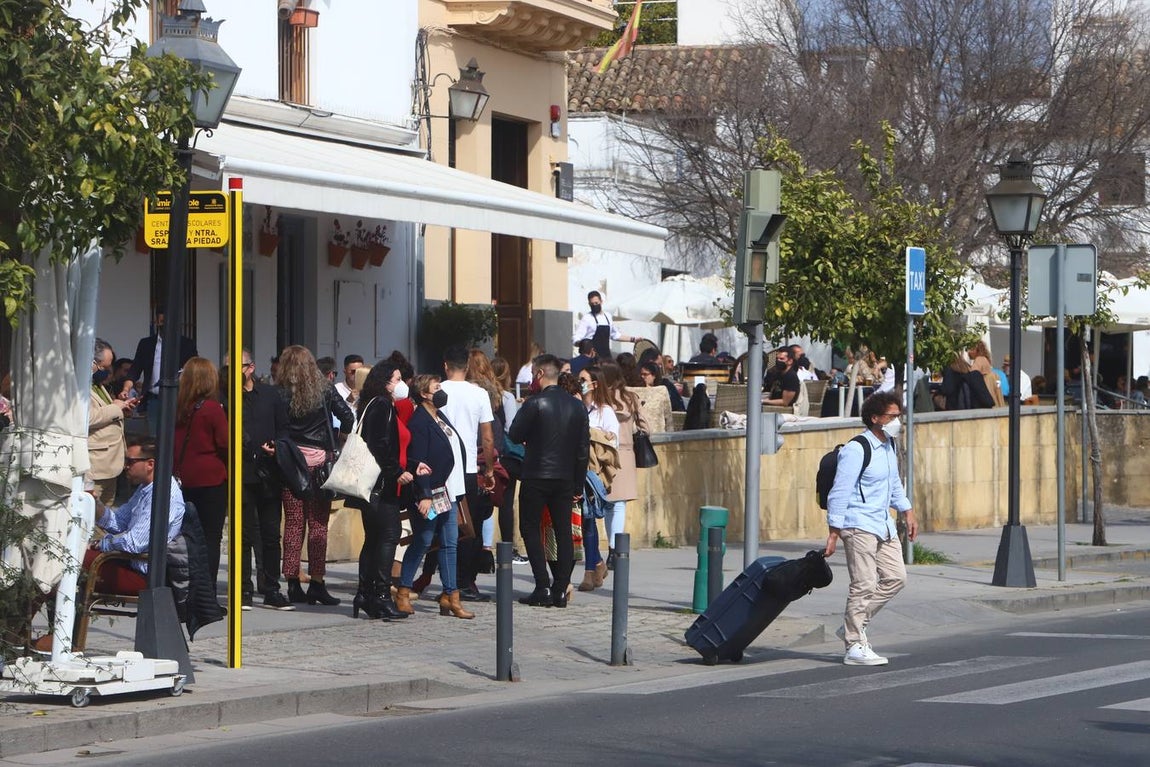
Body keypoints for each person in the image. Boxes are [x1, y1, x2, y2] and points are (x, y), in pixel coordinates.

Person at [824, 391, 917, 667]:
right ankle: (853, 644)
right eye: (892, 416)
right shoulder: (857, 449)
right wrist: (833, 532)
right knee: (863, 584)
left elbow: (894, 484)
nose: (897, 421)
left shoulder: (888, 445)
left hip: (883, 523)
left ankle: (855, 623)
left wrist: (907, 511)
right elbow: (839, 492)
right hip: (858, 524)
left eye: (899, 416)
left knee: (896, 577)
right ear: (875, 418)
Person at [508, 354, 590, 607]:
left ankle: (542, 585)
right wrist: (578, 484)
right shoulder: (577, 406)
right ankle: (560, 588)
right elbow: (582, 450)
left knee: (531, 529)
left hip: (535, 474)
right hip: (565, 477)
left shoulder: (534, 403)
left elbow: (514, 434)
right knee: (563, 530)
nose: (532, 378)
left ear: (541, 374)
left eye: (533, 373)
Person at [277, 345, 355, 607]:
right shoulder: (324, 389)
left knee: (293, 524)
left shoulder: (280, 392)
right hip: (321, 464)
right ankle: (318, 582)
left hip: (290, 465)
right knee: (318, 525)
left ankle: (292, 582)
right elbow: (347, 418)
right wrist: (340, 441)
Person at [350, 360, 426, 620]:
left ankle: (366, 593)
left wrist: (413, 466)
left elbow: (392, 446)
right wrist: (397, 472)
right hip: (381, 486)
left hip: (380, 483)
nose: (401, 384)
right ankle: (381, 595)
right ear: (384, 382)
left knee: (374, 539)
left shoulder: (378, 404)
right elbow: (380, 445)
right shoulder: (382, 404)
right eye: (396, 379)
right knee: (388, 536)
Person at [396, 374, 474, 619]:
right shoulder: (419, 422)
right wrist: (424, 494)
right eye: (436, 388)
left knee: (450, 543)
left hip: (449, 492)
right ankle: (403, 591)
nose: (441, 391)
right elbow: (419, 459)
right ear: (424, 394)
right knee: (424, 539)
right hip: (430, 492)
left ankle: (451, 596)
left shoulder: (439, 416)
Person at [238, 350, 294, 610]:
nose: (234, 373)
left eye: (239, 367)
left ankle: (272, 589)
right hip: (243, 473)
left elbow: (284, 428)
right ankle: (243, 590)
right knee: (244, 535)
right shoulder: (228, 398)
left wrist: (277, 446)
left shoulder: (270, 395)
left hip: (269, 473)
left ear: (251, 368)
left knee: (271, 535)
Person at [440, 346, 497, 602]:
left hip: (441, 467)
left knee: (441, 525)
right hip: (468, 469)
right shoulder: (479, 394)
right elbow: (487, 435)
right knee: (468, 527)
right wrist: (489, 468)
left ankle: (447, 582)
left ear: (445, 366)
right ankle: (463, 581)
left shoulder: (437, 390)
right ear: (467, 366)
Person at [173, 357, 229, 597]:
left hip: (183, 478)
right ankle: (206, 592)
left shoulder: (176, 407)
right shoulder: (212, 409)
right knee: (210, 538)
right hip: (211, 479)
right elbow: (226, 443)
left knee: (187, 537)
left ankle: (187, 586)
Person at [598, 360, 649, 570]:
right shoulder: (630, 398)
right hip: (626, 453)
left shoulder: (601, 398)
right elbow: (646, 426)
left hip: (603, 452)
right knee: (619, 505)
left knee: (609, 504)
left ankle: (611, 548)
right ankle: (614, 549)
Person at [576, 365, 618, 591]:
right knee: (583, 521)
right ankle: (597, 564)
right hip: (576, 470)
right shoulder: (578, 407)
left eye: (583, 379)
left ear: (594, 384)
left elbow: (613, 443)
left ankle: (591, 570)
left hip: (594, 474)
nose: (579, 382)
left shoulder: (605, 412)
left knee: (588, 518)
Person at [126, 305, 198, 431]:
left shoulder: (187, 344)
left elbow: (194, 370)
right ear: (157, 322)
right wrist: (126, 388)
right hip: (154, 399)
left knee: (177, 436)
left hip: (179, 399)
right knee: (155, 437)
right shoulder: (146, 344)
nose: (165, 326)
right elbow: (135, 369)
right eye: (162, 322)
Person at [89, 338, 138, 505]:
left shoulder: (99, 385)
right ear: (91, 361)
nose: (107, 371)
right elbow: (87, 418)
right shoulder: (81, 386)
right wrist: (116, 408)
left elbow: (106, 413)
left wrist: (122, 409)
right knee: (91, 519)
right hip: (96, 466)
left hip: (112, 465)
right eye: (104, 366)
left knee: (105, 519)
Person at [572, 290, 635, 361]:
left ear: (601, 301)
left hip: (606, 356)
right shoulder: (587, 318)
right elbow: (576, 337)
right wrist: (580, 344)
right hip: (591, 357)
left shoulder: (608, 316)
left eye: (596, 303)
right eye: (592, 304)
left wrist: (634, 339)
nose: (594, 305)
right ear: (589, 304)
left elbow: (615, 335)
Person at [968, 340, 1005, 407]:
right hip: (993, 383)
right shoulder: (985, 359)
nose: (968, 352)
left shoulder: (979, 359)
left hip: (987, 385)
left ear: (977, 350)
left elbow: (973, 374)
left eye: (971, 349)